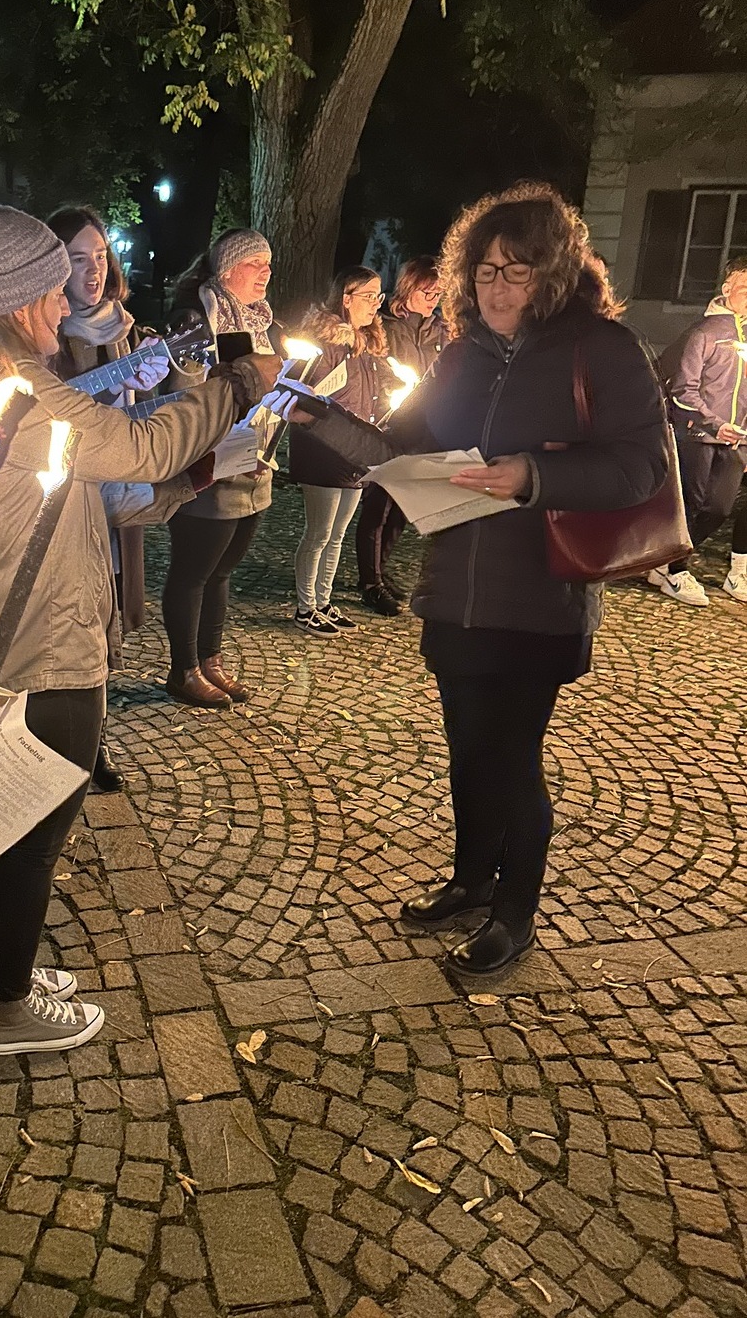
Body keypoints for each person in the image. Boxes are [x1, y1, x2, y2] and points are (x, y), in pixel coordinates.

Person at [0, 203, 277, 1054]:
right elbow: (138, 447)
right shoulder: (18, 392)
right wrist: (237, 387)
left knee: (1, 828)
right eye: (51, 286)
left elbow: (89, 495)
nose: (64, 299)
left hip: (9, 625)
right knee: (31, 837)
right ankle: (10, 1008)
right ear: (22, 296)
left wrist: (193, 479)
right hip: (43, 644)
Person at [285, 184, 668, 978]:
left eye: (516, 271)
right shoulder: (461, 356)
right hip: (454, 589)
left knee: (511, 759)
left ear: (553, 271)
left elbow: (638, 467)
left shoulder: (601, 349)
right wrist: (314, 417)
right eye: (485, 270)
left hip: (541, 594)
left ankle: (512, 914)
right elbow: (396, 449)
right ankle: (469, 881)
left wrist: (531, 476)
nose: (497, 287)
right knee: (467, 750)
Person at [46, 205, 167, 793]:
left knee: (106, 611)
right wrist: (108, 392)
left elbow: (138, 418)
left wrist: (172, 381)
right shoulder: (42, 332)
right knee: (67, 618)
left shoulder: (126, 329)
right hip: (64, 497)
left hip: (115, 496)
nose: (93, 269)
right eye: (77, 258)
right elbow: (44, 414)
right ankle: (65, 741)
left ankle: (94, 736)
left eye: (100, 255)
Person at [160, 229, 276, 706]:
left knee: (222, 571)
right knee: (194, 571)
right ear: (227, 269)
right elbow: (183, 394)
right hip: (209, 466)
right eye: (255, 263)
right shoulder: (194, 320)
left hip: (253, 464)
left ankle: (212, 661)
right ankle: (183, 669)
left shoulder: (263, 321)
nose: (266, 272)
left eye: (269, 263)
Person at [288, 267, 394, 635]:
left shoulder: (368, 345)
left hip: (354, 449)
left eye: (379, 296)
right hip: (323, 448)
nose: (375, 304)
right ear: (346, 299)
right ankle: (305, 608)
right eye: (368, 296)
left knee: (337, 535)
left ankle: (324, 602)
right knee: (319, 533)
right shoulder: (326, 343)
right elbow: (308, 394)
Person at [648, 254, 747, 606]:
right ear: (728, 289)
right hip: (698, 435)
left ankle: (663, 561)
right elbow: (683, 389)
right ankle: (674, 570)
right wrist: (714, 423)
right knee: (691, 504)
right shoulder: (704, 332)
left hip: (736, 440)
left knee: (719, 509)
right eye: (746, 289)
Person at [355, 255, 449, 615]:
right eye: (427, 291)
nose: (433, 299)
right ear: (408, 288)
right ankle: (370, 582)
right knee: (378, 505)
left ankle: (380, 569)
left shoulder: (441, 330)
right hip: (393, 426)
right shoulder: (388, 328)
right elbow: (377, 369)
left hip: (427, 427)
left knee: (404, 506)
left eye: (438, 293)